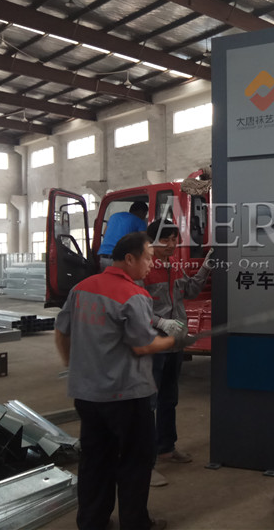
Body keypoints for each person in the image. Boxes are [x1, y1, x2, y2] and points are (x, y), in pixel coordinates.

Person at [55, 232, 193, 530]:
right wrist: (173, 341)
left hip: (87, 395)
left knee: (95, 460)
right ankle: (136, 523)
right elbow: (143, 346)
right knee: (134, 461)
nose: (151, 264)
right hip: (126, 396)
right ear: (129, 259)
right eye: (148, 258)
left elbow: (61, 331)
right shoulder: (134, 295)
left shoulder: (81, 288)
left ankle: (93, 522)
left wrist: (72, 365)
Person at [141, 219, 213, 487]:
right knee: (148, 402)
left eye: (174, 239)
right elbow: (135, 308)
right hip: (153, 343)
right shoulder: (144, 270)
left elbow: (191, 291)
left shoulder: (175, 266)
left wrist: (206, 267)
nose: (172, 245)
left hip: (175, 343)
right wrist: (160, 323)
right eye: (166, 240)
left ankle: (166, 448)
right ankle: (145, 463)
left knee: (169, 397)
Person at [98, 202, 149, 269]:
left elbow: (104, 234)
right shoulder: (140, 222)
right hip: (120, 259)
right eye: (145, 214)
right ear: (142, 212)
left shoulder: (114, 216)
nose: (144, 217)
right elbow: (144, 241)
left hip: (104, 258)